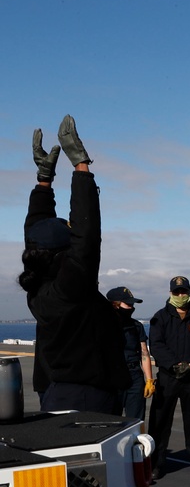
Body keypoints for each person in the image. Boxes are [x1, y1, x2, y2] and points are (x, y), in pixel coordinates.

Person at [20, 115, 130, 412]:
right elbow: (87, 233)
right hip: (85, 396)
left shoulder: (38, 283)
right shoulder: (69, 287)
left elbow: (36, 232)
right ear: (62, 253)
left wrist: (44, 182)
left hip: (59, 389)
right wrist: (81, 167)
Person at [147, 276, 190, 478]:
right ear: (170, 293)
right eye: (176, 292)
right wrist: (173, 365)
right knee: (159, 423)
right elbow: (156, 345)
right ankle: (155, 464)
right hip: (168, 377)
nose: (180, 295)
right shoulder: (160, 317)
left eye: (184, 291)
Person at [107, 287, 155, 421]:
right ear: (115, 304)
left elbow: (144, 353)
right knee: (109, 420)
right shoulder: (104, 326)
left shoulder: (136, 326)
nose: (131, 307)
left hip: (134, 375)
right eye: (127, 304)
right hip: (112, 376)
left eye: (132, 304)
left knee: (136, 420)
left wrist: (149, 379)